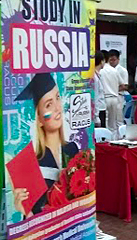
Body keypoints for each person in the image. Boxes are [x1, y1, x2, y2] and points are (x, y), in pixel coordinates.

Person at [13, 73, 80, 217]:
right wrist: (25, 211)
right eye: (48, 104)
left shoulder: (72, 149)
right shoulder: (30, 162)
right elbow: (33, 220)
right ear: (38, 117)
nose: (57, 108)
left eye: (57, 97)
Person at [100, 51, 126, 134]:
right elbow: (123, 85)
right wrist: (114, 89)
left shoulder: (100, 71)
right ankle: (114, 140)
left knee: (106, 121)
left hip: (104, 98)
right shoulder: (114, 70)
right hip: (115, 97)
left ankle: (107, 140)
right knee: (113, 122)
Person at [93, 52, 107, 128]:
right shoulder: (94, 77)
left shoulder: (98, 75)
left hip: (101, 108)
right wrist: (96, 116)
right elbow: (95, 97)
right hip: (99, 110)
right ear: (101, 61)